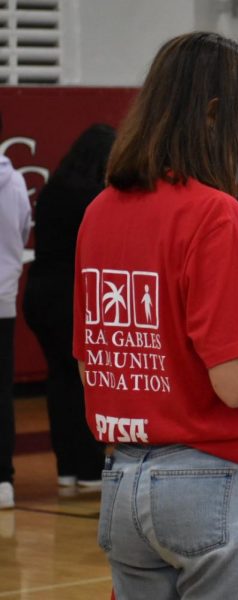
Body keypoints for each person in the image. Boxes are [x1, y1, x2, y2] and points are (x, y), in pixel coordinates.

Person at [72, 32, 238, 598]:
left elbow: (93, 367)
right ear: (214, 115)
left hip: (124, 479)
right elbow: (235, 385)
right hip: (213, 479)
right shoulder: (212, 212)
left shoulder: (101, 210)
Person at [23, 124, 114, 489]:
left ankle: (67, 468)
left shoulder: (52, 190)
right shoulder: (93, 197)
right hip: (69, 297)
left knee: (60, 381)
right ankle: (91, 469)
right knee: (83, 382)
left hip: (39, 293)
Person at [0, 113, 31, 510]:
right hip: (3, 296)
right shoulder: (15, 179)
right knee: (2, 390)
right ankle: (3, 479)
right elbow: (24, 230)